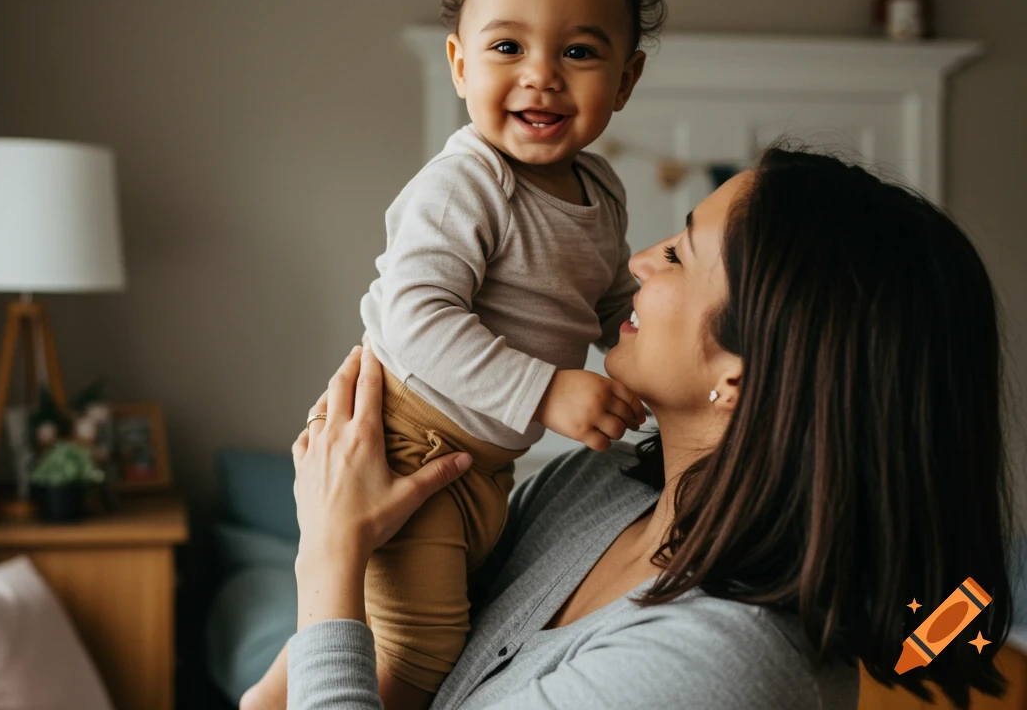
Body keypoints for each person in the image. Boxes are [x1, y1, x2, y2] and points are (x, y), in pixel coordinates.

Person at [286, 148, 1014, 710]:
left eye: (677, 253)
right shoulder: (601, 486)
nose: (636, 260)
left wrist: (328, 558)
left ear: (743, 374)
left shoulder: (717, 667)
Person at [245, 0, 662, 709]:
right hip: (404, 436)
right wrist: (547, 389)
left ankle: (267, 700)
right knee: (425, 648)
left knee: (404, 617)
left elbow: (609, 295)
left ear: (626, 80)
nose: (540, 74)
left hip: (482, 465)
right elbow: (416, 317)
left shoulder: (602, 190)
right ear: (461, 63)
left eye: (579, 50)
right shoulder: (469, 181)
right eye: (508, 45)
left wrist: (640, 351)